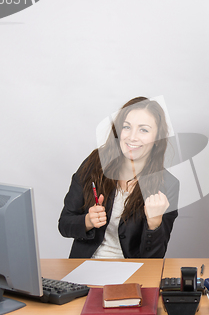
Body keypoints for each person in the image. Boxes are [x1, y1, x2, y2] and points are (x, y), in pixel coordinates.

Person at [58, 97, 179, 258]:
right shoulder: (95, 163)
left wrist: (155, 224)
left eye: (143, 130)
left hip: (132, 274)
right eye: (126, 127)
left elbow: (153, 259)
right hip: (85, 268)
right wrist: (88, 221)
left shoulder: (167, 184)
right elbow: (64, 224)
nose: (132, 137)